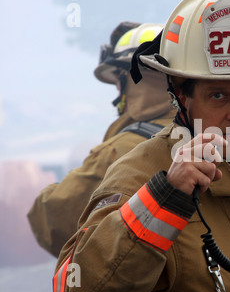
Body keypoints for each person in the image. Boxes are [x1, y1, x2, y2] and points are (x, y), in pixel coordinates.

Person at [53, 0, 230, 292]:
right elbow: (74, 290)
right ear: (183, 98)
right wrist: (165, 199)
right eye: (219, 95)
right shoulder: (137, 176)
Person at [27, 22, 176, 258]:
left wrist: (42, 190)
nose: (117, 94)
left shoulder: (119, 150)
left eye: (119, 81)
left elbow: (54, 219)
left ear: (134, 82)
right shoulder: (210, 136)